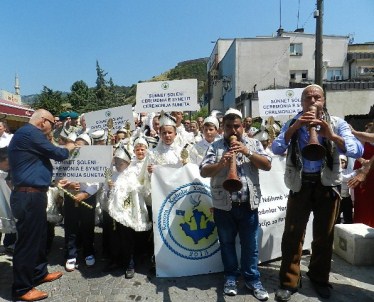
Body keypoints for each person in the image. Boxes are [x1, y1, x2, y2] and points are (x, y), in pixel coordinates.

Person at [271, 84, 363, 301]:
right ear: (302, 102)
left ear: (324, 101)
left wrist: (330, 135)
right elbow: (276, 149)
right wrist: (294, 129)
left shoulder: (338, 123)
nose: (312, 101)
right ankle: (289, 281)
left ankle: (319, 278)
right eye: (308, 98)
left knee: (324, 236)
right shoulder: (293, 122)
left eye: (317, 97)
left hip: (327, 186)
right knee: (292, 235)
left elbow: (356, 150)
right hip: (300, 185)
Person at [200, 108, 271, 300]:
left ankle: (252, 279)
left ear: (243, 127)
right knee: (227, 243)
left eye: (236, 126)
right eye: (229, 127)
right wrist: (221, 164)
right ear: (223, 128)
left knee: (250, 246)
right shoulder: (215, 147)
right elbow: (204, 172)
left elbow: (267, 165)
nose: (233, 130)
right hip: (224, 206)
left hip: (248, 205)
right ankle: (230, 277)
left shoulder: (254, 143)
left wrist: (247, 152)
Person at [8, 109, 75, 301]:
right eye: (52, 124)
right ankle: (22, 289)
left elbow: (35, 166)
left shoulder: (27, 134)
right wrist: (70, 146)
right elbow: (59, 154)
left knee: (38, 238)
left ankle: (38, 274)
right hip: (28, 196)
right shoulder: (31, 133)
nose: (52, 128)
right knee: (27, 243)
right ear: (43, 122)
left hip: (33, 194)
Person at [349, 122, 374, 227]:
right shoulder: (363, 138)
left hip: (371, 169)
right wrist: (363, 161)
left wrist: (353, 132)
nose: (367, 127)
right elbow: (356, 152)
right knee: (363, 201)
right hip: (362, 169)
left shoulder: (364, 135)